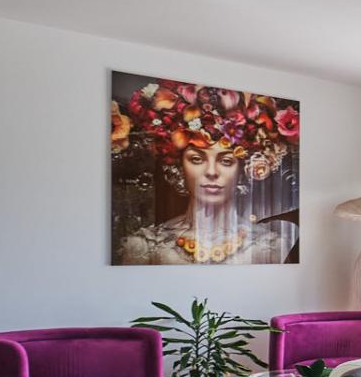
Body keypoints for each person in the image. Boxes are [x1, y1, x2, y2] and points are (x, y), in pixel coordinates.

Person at [114, 80, 298, 265]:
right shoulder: (143, 247)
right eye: (197, 159)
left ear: (242, 170)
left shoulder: (271, 247)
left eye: (226, 161)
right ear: (179, 166)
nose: (211, 172)